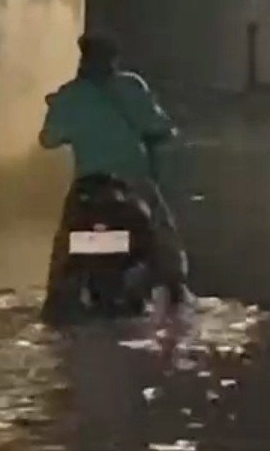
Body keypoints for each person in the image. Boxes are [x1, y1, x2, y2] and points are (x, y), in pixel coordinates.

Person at [40, 34, 189, 317]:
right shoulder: (131, 86)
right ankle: (177, 291)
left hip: (88, 185)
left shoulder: (69, 94)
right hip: (132, 183)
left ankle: (53, 301)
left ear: (82, 58)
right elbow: (158, 125)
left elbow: (48, 140)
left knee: (63, 248)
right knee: (163, 236)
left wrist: (58, 110)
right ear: (114, 60)